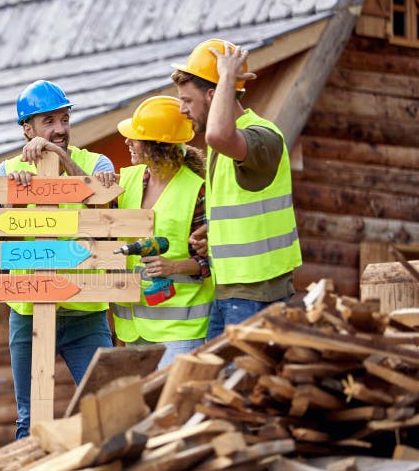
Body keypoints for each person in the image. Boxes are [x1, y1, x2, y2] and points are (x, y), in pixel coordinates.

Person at [0, 80, 116, 439]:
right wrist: (12, 195)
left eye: (64, 119)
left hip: (87, 313)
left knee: (106, 407)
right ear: (26, 129)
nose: (60, 129)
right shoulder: (7, 170)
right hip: (28, 312)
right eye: (48, 121)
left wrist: (61, 158)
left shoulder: (97, 162)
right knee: (29, 419)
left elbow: (104, 207)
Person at [171, 38, 302, 341]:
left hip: (255, 295)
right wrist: (213, 232)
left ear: (213, 95)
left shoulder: (262, 138)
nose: (182, 109)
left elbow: (217, 134)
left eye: (187, 100)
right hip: (232, 291)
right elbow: (246, 209)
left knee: (241, 385)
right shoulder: (230, 143)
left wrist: (228, 76)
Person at [111, 96, 214, 368]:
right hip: (132, 329)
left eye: (135, 137)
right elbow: (87, 202)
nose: (127, 142)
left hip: (180, 331)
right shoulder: (127, 180)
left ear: (158, 147)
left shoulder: (197, 190)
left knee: (171, 408)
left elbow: (213, 259)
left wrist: (174, 266)